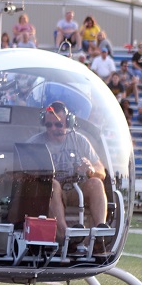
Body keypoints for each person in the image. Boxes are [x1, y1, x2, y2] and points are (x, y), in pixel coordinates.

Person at [28, 101, 107, 246]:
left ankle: (100, 233)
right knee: (53, 185)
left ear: (69, 123)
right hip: (53, 192)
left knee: (96, 183)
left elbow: (101, 171)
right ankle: (65, 235)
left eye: (58, 125)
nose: (53, 129)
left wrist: (91, 169)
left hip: (77, 188)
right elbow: (23, 172)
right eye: (48, 125)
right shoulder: (34, 143)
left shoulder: (80, 141)